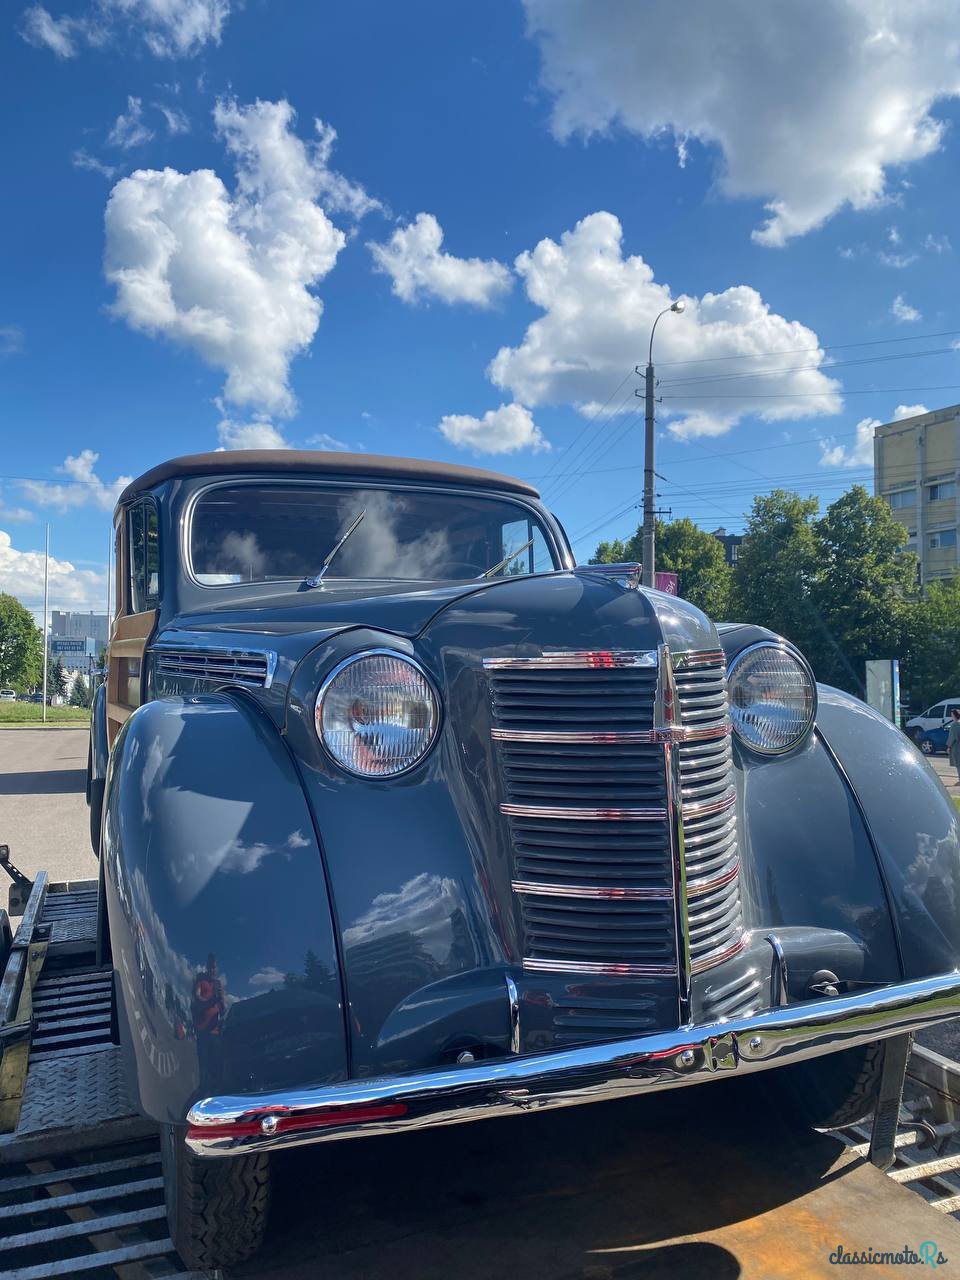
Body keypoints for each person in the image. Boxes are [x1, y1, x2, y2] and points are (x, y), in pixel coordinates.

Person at [947, 708, 960, 786]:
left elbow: (952, 737)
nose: (951, 716)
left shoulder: (955, 724)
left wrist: (949, 746)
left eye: (952, 715)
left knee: (958, 763)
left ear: (955, 715)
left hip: (957, 746)